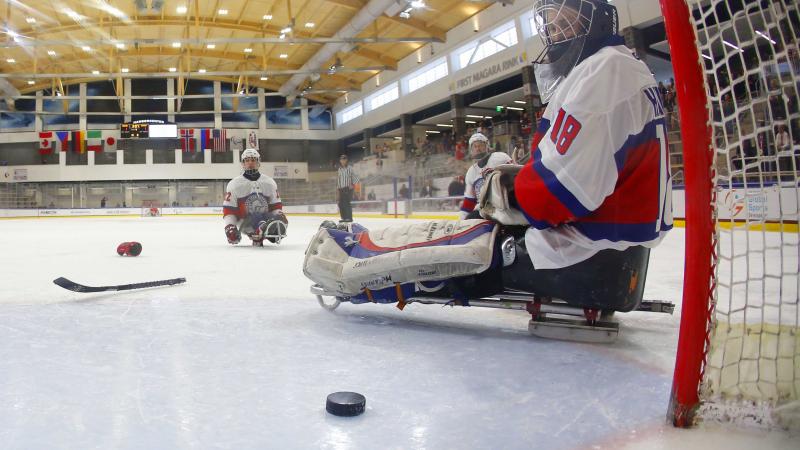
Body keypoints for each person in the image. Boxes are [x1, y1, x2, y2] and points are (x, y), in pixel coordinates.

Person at [305, 0, 672, 313]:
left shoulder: (600, 74)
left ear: (595, 13)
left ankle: (352, 263)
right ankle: (363, 245)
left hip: (579, 251)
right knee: (461, 231)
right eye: (551, 20)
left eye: (566, 16)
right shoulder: (624, 66)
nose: (556, 30)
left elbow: (554, 197)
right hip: (610, 246)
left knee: (456, 248)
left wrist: (510, 191)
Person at [223, 148, 288, 246]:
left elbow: (276, 206)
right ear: (243, 163)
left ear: (258, 162)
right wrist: (230, 226)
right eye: (247, 160)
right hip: (245, 223)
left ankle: (267, 229)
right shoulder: (234, 184)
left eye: (253, 160)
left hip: (266, 218)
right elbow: (229, 210)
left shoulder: (269, 182)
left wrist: (279, 216)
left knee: (278, 219)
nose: (250, 163)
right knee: (256, 216)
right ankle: (264, 228)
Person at [459, 132, 512, 219]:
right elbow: (470, 199)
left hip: (506, 205)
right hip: (485, 209)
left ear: (487, 146)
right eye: (475, 146)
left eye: (480, 145)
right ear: (471, 150)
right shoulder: (471, 172)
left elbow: (516, 178)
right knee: (470, 219)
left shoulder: (500, 158)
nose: (478, 149)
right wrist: (463, 217)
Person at [336, 154, 359, 223]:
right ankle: (343, 217)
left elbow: (356, 177)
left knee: (346, 203)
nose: (343, 161)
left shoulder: (350, 168)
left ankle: (349, 218)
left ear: (346, 160)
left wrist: (353, 185)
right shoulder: (339, 169)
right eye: (341, 159)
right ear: (340, 161)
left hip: (347, 188)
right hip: (341, 188)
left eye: (344, 159)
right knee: (340, 203)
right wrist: (338, 189)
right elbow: (339, 179)